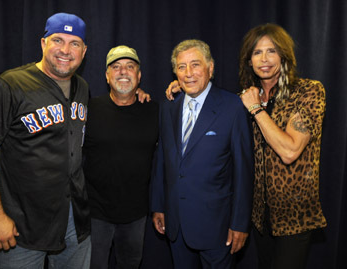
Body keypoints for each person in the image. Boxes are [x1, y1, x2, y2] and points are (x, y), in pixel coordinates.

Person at [0, 13, 91, 268]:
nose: (66, 50)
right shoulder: (7, 85)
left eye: (75, 43)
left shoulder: (83, 88)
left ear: (84, 50)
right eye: (58, 40)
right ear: (43, 43)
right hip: (21, 225)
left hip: (73, 220)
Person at [150, 39, 254, 269]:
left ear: (211, 68)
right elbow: (162, 160)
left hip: (217, 226)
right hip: (175, 223)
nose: (188, 73)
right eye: (181, 66)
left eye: (195, 64)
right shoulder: (168, 106)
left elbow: (243, 171)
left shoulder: (232, 107)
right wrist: (158, 205)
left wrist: (240, 223)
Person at [238, 23, 327, 269]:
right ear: (249, 61)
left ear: (284, 56)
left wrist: (256, 109)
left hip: (295, 216)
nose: (264, 59)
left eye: (272, 51)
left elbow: (289, 151)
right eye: (257, 52)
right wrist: (186, 91)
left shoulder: (308, 91)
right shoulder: (246, 97)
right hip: (260, 218)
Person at [83, 45, 158, 269]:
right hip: (95, 214)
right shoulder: (88, 109)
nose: (123, 72)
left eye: (130, 67)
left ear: (139, 75)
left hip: (136, 215)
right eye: (116, 67)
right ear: (107, 76)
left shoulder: (155, 111)